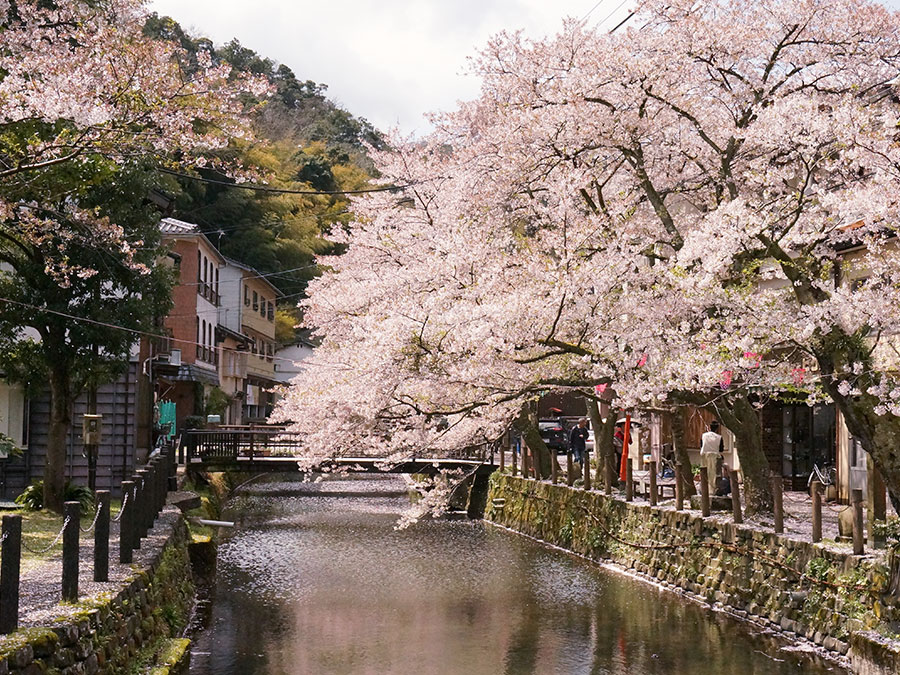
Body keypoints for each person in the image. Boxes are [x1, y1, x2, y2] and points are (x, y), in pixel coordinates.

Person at [700, 420, 725, 495]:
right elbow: (721, 449)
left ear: (710, 427)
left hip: (704, 455)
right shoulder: (719, 437)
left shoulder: (703, 435)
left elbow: (701, 445)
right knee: (714, 474)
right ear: (717, 428)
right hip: (715, 456)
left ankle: (704, 489)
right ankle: (714, 490)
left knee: (705, 473)